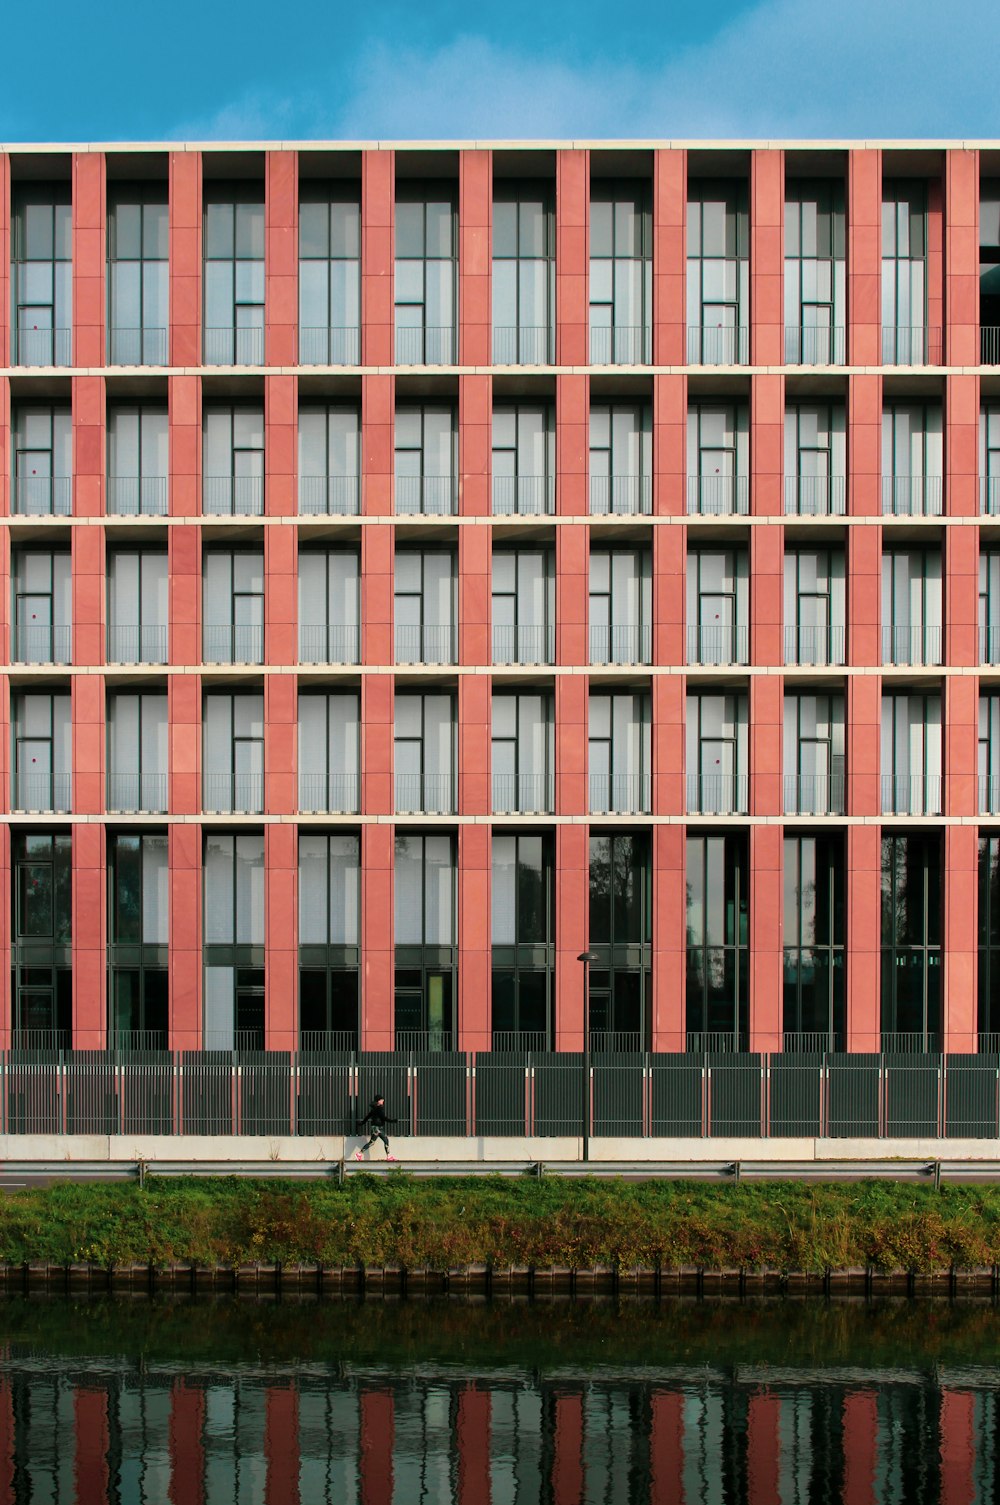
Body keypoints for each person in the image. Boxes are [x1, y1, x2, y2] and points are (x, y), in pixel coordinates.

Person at [355, 1094, 397, 1161]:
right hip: (377, 1128)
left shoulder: (374, 1109)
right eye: (381, 1100)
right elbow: (384, 1118)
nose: (383, 1100)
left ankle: (389, 1156)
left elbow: (367, 1117)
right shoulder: (379, 1109)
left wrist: (362, 1123)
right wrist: (393, 1121)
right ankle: (359, 1154)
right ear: (378, 1101)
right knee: (374, 1142)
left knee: (384, 1140)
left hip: (377, 1128)